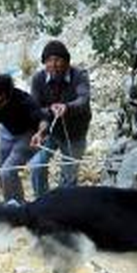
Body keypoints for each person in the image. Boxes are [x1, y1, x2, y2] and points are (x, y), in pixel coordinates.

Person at [28, 40, 92, 198]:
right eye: (49, 60)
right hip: (50, 130)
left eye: (57, 60)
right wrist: (41, 130)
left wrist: (67, 107)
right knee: (37, 165)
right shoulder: (38, 79)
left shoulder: (79, 76)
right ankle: (42, 202)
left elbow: (83, 99)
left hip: (75, 133)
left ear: (66, 61)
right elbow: (36, 109)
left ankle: (64, 210)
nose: (53, 64)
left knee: (68, 176)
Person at [0, 73, 48, 203]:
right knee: (0, 171)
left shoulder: (23, 101)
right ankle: (11, 203)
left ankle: (19, 209)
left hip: (29, 133)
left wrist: (40, 133)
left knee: (7, 172)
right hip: (7, 131)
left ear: (8, 95)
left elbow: (42, 119)